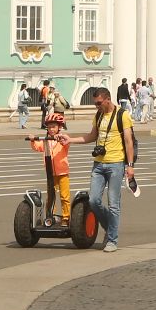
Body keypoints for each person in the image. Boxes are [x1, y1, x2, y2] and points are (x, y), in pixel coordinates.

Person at [79, 86, 137, 253]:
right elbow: (91, 136)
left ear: (107, 99)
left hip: (116, 164)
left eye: (98, 103)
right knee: (93, 201)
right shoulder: (98, 115)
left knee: (113, 205)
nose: (96, 106)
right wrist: (70, 139)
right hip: (98, 164)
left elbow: (128, 141)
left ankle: (112, 239)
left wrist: (130, 167)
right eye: (95, 104)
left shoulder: (122, 115)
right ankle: (110, 227)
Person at [30, 110, 72, 220]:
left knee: (64, 196)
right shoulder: (46, 141)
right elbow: (37, 147)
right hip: (51, 173)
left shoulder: (62, 140)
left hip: (62, 173)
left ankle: (66, 217)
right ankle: (50, 216)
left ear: (59, 127)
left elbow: (67, 141)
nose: (51, 129)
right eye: (49, 127)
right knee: (51, 196)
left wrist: (61, 137)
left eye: (54, 127)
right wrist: (32, 140)